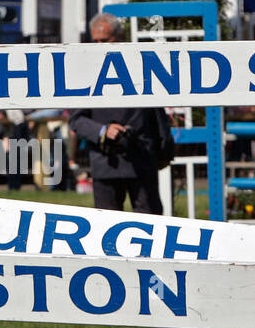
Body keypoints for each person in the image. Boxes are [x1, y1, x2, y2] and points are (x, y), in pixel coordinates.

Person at [69, 13, 175, 213]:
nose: (100, 46)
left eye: (106, 40)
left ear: (120, 36)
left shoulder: (141, 64)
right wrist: (103, 131)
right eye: (96, 41)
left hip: (142, 157)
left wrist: (164, 150)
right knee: (107, 227)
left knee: (151, 223)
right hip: (105, 161)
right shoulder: (85, 73)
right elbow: (75, 119)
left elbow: (156, 113)